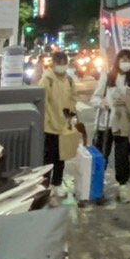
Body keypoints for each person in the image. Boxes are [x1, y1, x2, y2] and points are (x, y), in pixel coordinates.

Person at [91, 49, 130, 204]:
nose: (126, 63)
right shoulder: (107, 77)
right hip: (105, 123)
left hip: (123, 124)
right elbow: (94, 98)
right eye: (123, 59)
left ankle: (123, 189)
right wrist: (103, 103)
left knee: (122, 159)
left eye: (129, 59)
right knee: (102, 156)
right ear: (117, 60)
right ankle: (97, 190)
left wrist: (127, 102)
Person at [41, 50, 84, 197]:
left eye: (64, 63)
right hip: (49, 127)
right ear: (53, 64)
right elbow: (43, 102)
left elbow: (74, 96)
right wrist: (48, 119)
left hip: (63, 126)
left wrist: (70, 113)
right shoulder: (47, 79)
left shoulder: (69, 80)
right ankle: (45, 187)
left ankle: (57, 184)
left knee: (61, 157)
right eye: (59, 63)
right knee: (48, 158)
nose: (62, 66)